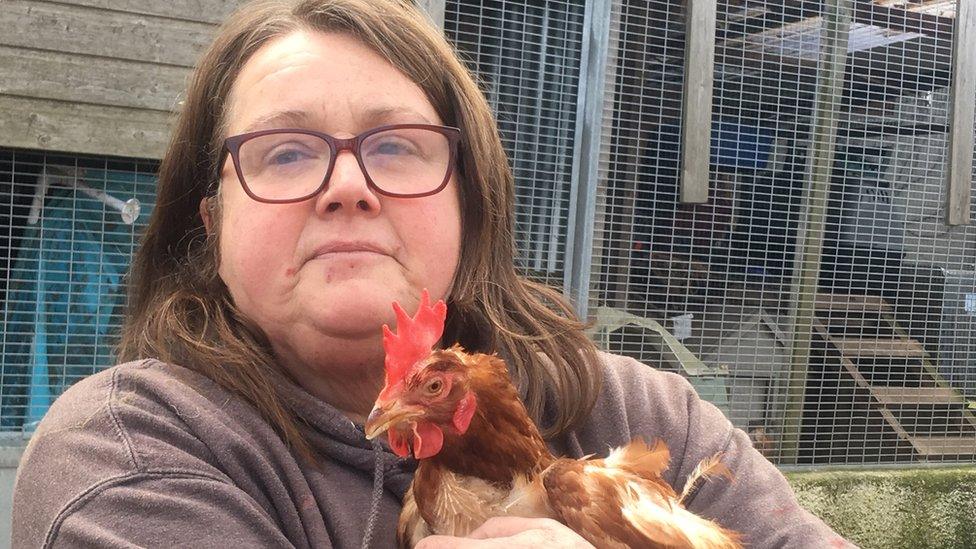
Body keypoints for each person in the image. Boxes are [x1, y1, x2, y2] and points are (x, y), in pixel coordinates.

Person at [12, 0, 853, 547]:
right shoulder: (134, 453)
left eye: (396, 146)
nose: (347, 187)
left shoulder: (637, 411)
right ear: (212, 220)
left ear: (467, 205)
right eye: (286, 151)